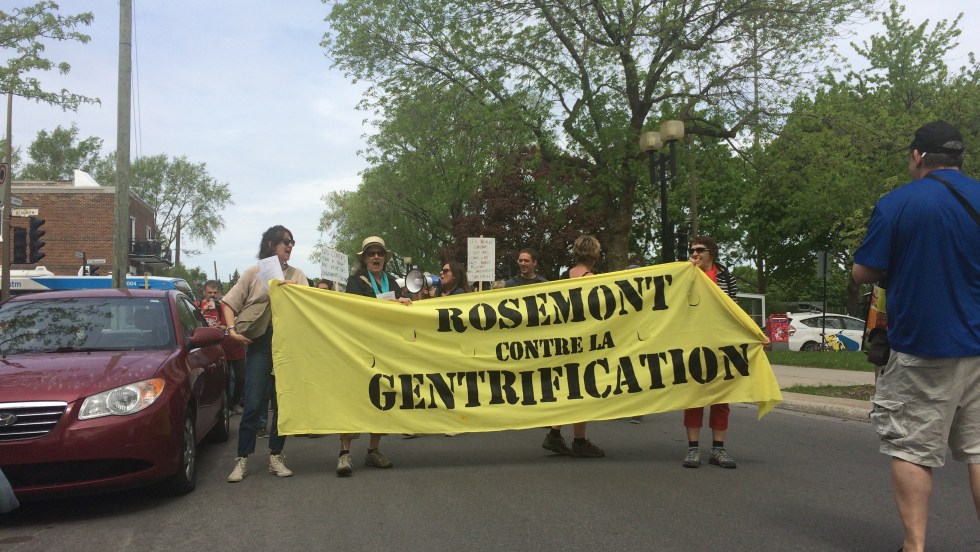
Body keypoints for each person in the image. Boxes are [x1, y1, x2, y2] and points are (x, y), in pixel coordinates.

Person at [852, 120, 980, 552]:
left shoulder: (898, 203)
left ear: (917, 157)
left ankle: (915, 546)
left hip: (924, 345)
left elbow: (863, 271)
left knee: (911, 448)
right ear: (959, 158)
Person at [222, 225, 308, 483]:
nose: (290, 246)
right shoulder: (254, 273)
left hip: (286, 345)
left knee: (282, 404)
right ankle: (242, 459)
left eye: (293, 242)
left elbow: (311, 307)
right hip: (259, 344)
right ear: (271, 245)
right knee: (254, 402)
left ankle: (276, 456)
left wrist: (293, 292)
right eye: (286, 242)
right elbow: (228, 303)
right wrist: (231, 331)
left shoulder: (298, 275)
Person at [337, 235, 412, 477]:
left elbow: (401, 308)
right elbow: (356, 307)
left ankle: (373, 450)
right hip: (360, 348)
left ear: (385, 258)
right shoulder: (354, 281)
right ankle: (344, 453)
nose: (376, 257)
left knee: (382, 397)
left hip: (385, 348)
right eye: (371, 254)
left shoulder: (392, 280)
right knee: (354, 398)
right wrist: (391, 303)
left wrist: (407, 304)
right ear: (365, 259)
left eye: (380, 253)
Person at [541, 235, 605, 458]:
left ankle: (556, 433)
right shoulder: (591, 279)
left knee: (570, 388)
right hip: (584, 339)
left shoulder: (564, 276)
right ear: (595, 253)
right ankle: (578, 440)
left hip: (566, 338)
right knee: (583, 389)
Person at [682, 236, 738, 469]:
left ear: (711, 253)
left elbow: (735, 309)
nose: (694, 254)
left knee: (721, 397)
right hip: (694, 342)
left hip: (721, 342)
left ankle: (718, 449)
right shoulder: (685, 275)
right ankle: (693, 449)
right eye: (691, 250)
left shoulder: (726, 277)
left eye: (699, 250)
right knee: (694, 396)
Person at [197, 280, 246, 416]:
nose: (212, 295)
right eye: (209, 293)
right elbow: (194, 326)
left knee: (241, 377)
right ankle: (227, 406)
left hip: (234, 345)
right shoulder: (197, 306)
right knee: (225, 378)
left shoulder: (222, 306)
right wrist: (203, 310)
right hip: (216, 348)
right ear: (204, 293)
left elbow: (226, 326)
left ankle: (235, 402)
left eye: (214, 293)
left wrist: (219, 327)